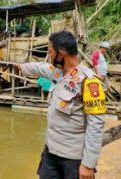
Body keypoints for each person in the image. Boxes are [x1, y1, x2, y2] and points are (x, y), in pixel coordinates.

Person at [17, 31, 106, 179]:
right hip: (50, 152)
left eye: (50, 51)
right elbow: (40, 67)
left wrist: (88, 164)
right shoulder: (57, 73)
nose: (49, 55)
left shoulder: (89, 82)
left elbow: (96, 125)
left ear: (61, 54)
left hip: (73, 159)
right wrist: (21, 67)